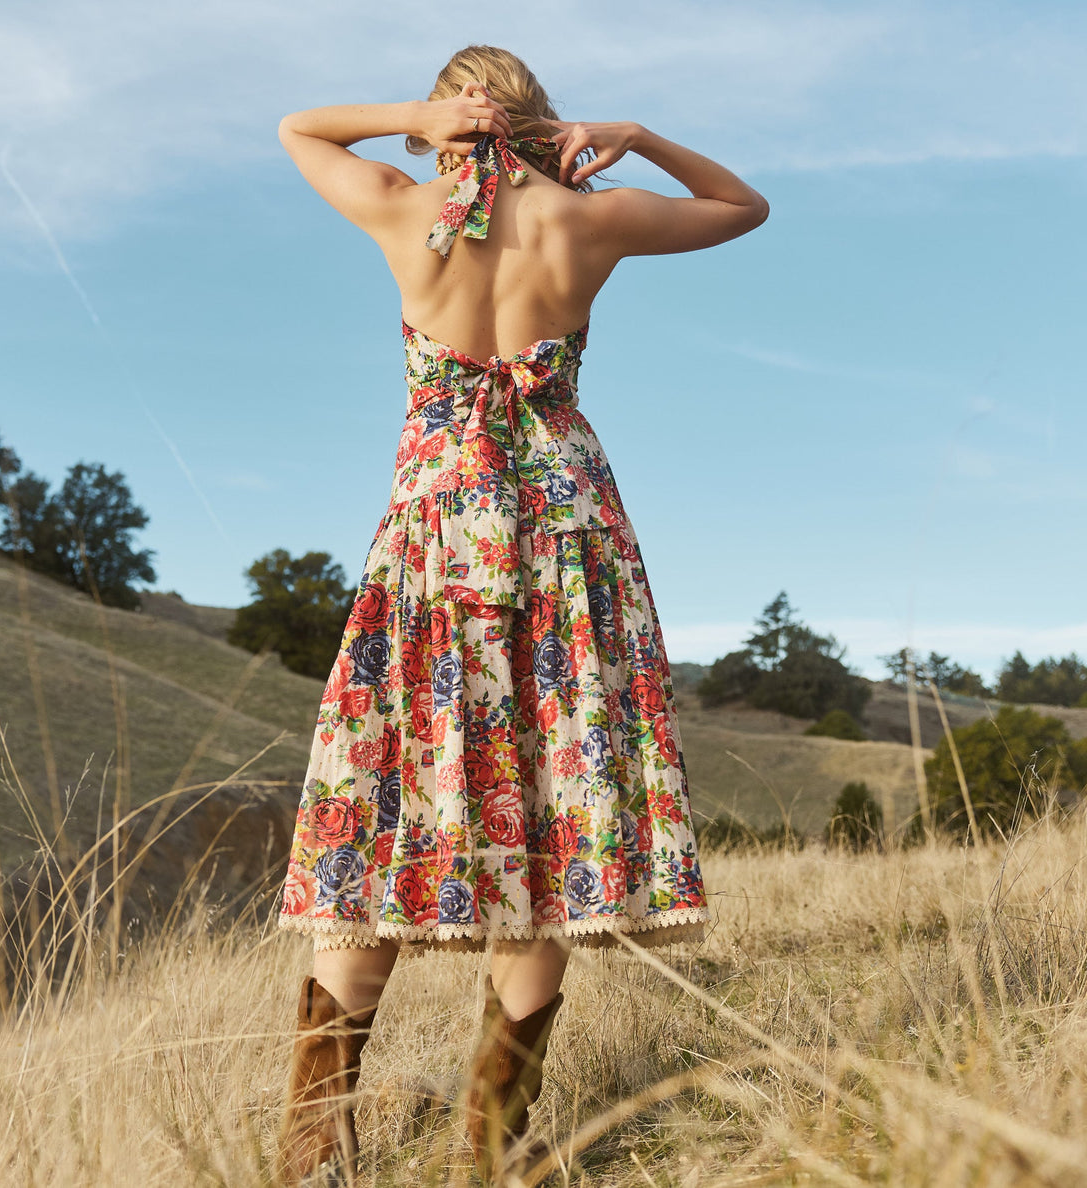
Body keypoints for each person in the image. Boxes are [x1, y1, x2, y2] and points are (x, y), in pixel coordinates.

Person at [272, 44, 768, 1185]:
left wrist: (418, 118)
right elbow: (744, 206)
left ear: (443, 127)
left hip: (439, 534)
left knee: (385, 813)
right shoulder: (587, 223)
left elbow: (300, 127)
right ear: (546, 124)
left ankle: (312, 1151)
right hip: (563, 535)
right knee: (547, 822)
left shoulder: (404, 206)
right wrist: (635, 134)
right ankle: (487, 1156)